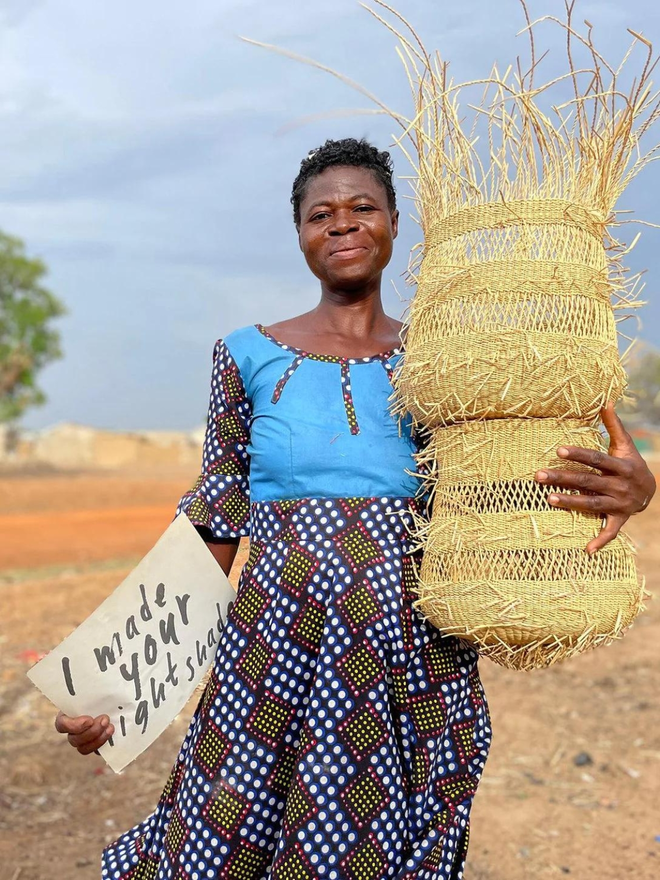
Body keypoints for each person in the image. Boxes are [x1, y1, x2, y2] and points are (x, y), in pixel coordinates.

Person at [55, 138, 656, 879]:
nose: (342, 224)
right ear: (301, 233)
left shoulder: (448, 362)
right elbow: (215, 523)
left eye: (362, 207)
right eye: (320, 214)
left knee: (380, 848)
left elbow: (509, 489)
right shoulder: (246, 355)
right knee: (224, 831)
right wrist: (120, 692)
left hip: (410, 663)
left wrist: (636, 486)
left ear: (396, 224)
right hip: (271, 658)